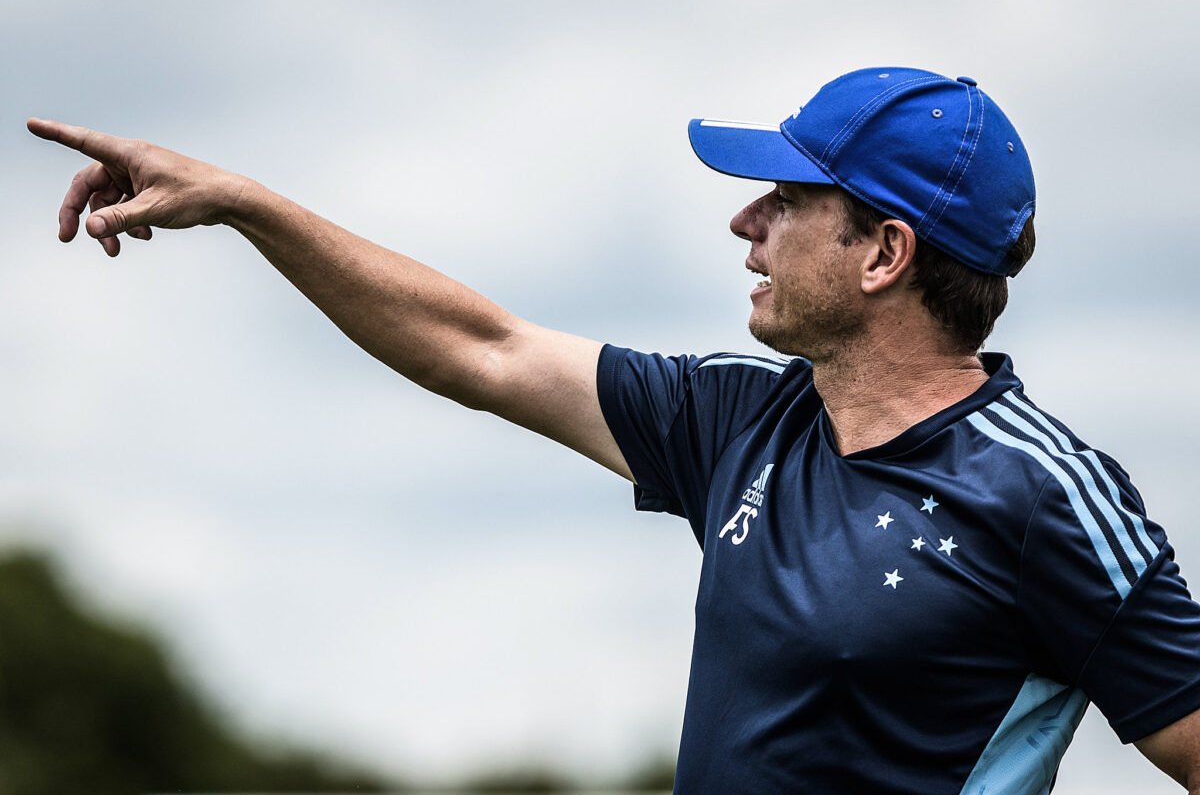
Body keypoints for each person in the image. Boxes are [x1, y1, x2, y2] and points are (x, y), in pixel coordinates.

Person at [27, 66, 1200, 794]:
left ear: (885, 253)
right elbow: (481, 346)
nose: (748, 221)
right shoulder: (737, 419)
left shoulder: (1049, 494)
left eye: (790, 199)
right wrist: (244, 200)